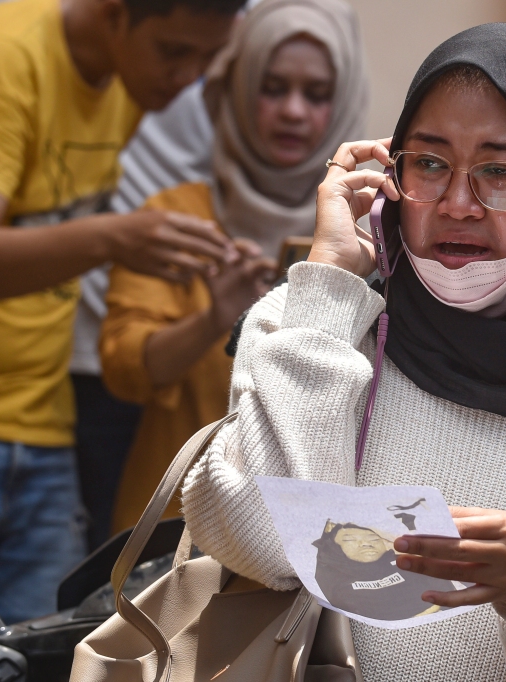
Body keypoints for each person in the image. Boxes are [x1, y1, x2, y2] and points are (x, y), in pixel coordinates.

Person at [181, 23, 506, 681]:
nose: (458, 203)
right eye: (429, 164)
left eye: (501, 172)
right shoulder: (315, 323)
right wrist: (326, 284)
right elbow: (254, 541)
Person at [0, 0, 244, 650]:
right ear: (114, 13)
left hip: (43, 426)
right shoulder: (0, 60)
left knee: (43, 655)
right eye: (174, 52)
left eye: (205, 58)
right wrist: (113, 237)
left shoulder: (123, 77)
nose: (187, 78)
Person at [100, 0, 367, 533]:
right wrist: (211, 318)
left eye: (316, 95)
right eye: (272, 88)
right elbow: (124, 371)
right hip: (173, 532)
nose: (293, 111)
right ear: (238, 90)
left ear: (340, 104)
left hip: (314, 534)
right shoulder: (177, 217)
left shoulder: (370, 232)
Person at [312, 522, 453, 621]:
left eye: (373, 538)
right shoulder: (325, 575)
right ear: (334, 547)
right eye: (350, 540)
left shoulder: (408, 563)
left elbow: (449, 598)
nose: (366, 543)